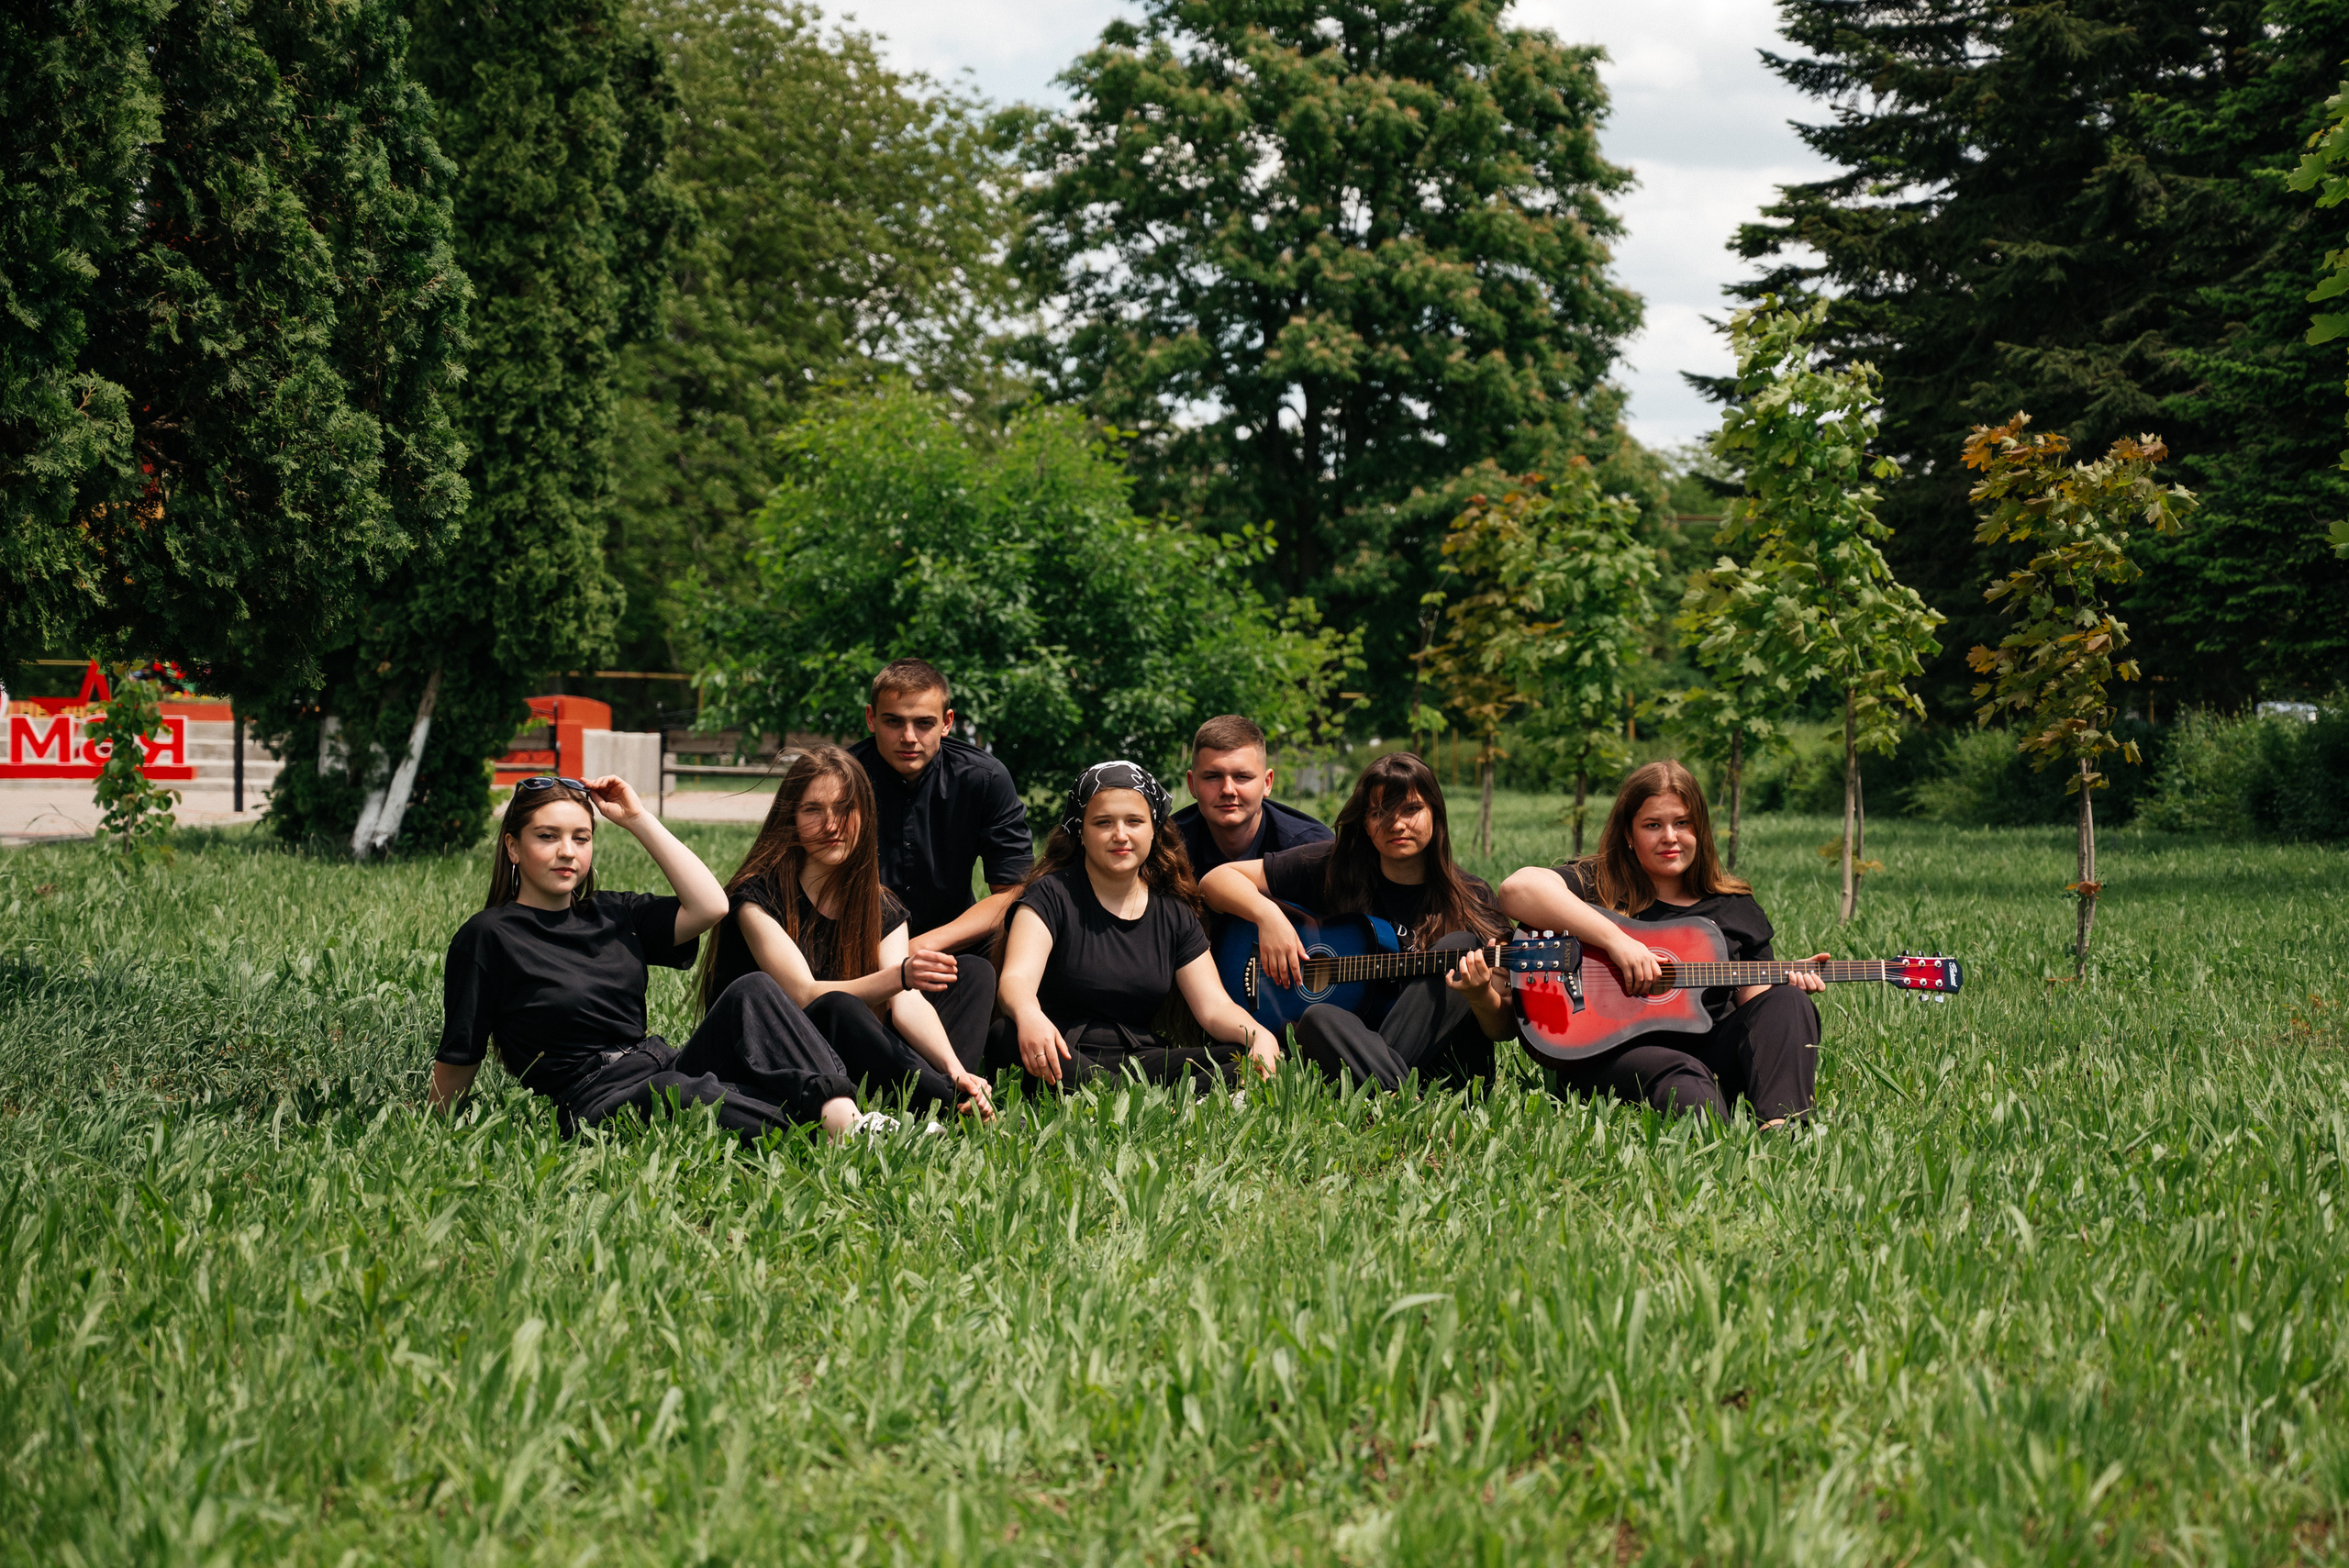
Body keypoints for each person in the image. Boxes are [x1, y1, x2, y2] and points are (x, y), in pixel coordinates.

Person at [429, 775, 865, 1144]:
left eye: (581, 838)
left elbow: (711, 906)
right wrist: (435, 1125)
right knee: (679, 1092)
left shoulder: (615, 913)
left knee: (753, 989)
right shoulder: (487, 936)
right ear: (512, 847)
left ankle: (845, 1116)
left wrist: (638, 820)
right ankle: (821, 1132)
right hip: (594, 1099)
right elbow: (461, 1053)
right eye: (547, 836)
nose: (567, 851)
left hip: (662, 1062)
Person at [1496, 759, 1829, 1128]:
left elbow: (1756, 1011)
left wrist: (1784, 990)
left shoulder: (1734, 908)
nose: (1670, 837)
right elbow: (1517, 889)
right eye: (1653, 825)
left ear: (1699, 828)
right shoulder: (1597, 884)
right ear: (1628, 833)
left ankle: (1782, 1131)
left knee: (1787, 1002)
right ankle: (1721, 1143)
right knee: (1686, 1083)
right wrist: (1616, 941)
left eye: (1682, 823)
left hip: (1708, 1052)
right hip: (1608, 1053)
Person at [698, 745, 996, 1120]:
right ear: (790, 817)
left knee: (972, 974)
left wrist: (955, 1066)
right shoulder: (757, 896)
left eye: (844, 809)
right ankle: (948, 1108)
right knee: (839, 1005)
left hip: (851, 1057)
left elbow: (907, 1005)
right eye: (813, 810)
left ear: (865, 815)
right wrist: (899, 976)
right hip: (775, 1057)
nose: (831, 825)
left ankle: (958, 1090)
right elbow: (803, 995)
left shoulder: (880, 905)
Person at [1199, 751, 1511, 1095]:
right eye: (1379, 813)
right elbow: (1216, 881)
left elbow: (1504, 1028)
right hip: (1352, 1049)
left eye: (1411, 809)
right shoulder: (1335, 871)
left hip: (1446, 1070)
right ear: (1364, 822)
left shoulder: (1473, 897)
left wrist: (1480, 994)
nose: (1396, 825)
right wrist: (1269, 917)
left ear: (1436, 813)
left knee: (1459, 946)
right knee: (1319, 1018)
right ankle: (1405, 1101)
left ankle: (1390, 1096)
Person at [995, 761, 1281, 1094]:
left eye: (1134, 821)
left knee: (1245, 1057)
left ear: (1153, 830)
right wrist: (1030, 1016)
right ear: (1081, 832)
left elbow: (1214, 1007)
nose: (1121, 835)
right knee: (1006, 1037)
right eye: (1103, 823)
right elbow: (1015, 981)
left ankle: (1130, 1098)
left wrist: (1261, 1036)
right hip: (1060, 1049)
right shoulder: (1050, 895)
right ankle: (1154, 1102)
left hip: (1142, 1059)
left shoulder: (1173, 912)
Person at [850, 659, 1034, 986]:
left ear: (947, 723)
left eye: (923, 723)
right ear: (871, 718)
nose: (909, 737)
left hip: (953, 947)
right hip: (854, 946)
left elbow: (1014, 891)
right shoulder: (842, 779)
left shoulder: (984, 779)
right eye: (893, 721)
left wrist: (922, 945)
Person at [1169, 714, 1331, 879]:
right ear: (1192, 784)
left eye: (1242, 777)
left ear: (1267, 783)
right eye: (1212, 777)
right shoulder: (1165, 847)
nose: (1228, 790)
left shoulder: (1311, 850)